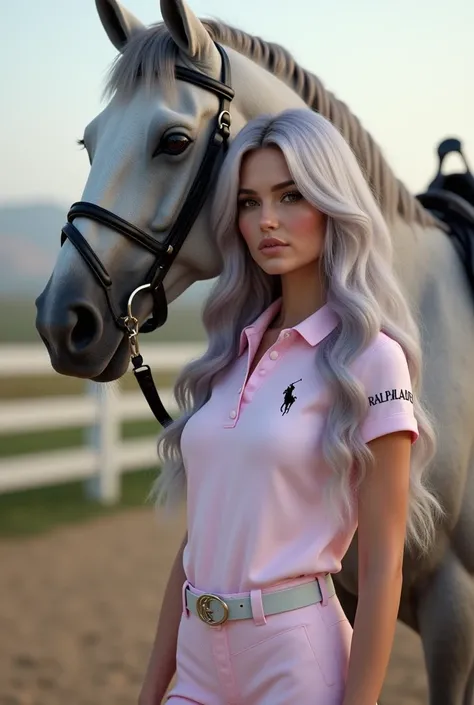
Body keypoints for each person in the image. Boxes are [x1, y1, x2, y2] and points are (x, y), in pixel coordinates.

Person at [138, 108, 444, 705]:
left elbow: (383, 570)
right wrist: (152, 686)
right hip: (198, 658)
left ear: (333, 203)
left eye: (290, 195)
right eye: (249, 202)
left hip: (295, 657)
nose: (266, 221)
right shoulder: (228, 352)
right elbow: (199, 538)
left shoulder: (372, 359)